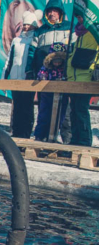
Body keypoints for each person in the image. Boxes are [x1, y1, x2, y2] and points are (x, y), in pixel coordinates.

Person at [3, 11, 39, 138]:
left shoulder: (36, 39)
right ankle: (16, 132)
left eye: (29, 25)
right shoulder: (16, 40)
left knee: (27, 107)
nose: (26, 27)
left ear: (34, 25)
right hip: (15, 78)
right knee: (17, 107)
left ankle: (26, 133)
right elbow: (10, 59)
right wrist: (4, 77)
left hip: (27, 80)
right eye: (25, 24)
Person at [67, 15, 99, 147]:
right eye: (78, 17)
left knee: (81, 110)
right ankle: (75, 139)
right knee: (73, 111)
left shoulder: (94, 32)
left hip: (86, 77)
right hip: (73, 77)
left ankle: (85, 141)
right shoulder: (78, 33)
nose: (80, 19)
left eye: (81, 16)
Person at [33, 43, 69, 141]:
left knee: (60, 117)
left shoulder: (65, 69)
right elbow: (41, 74)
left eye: (59, 61)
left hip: (62, 95)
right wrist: (42, 78)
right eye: (54, 61)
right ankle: (40, 135)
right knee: (44, 115)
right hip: (47, 95)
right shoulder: (47, 68)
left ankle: (54, 135)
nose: (57, 63)